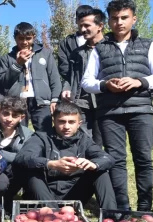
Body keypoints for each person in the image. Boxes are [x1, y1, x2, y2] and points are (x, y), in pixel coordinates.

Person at [81, 0, 153, 211]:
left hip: (141, 111)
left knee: (143, 159)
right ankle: (122, 209)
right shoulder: (99, 49)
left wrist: (140, 82)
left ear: (133, 19)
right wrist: (104, 85)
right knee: (116, 160)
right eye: (114, 18)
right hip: (110, 112)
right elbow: (86, 81)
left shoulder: (148, 45)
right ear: (108, 21)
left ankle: (145, 208)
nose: (119, 22)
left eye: (124, 17)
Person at [14, 101, 116, 209]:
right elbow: (22, 157)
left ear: (79, 123)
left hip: (74, 194)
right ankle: (52, 214)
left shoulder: (84, 140)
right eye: (62, 121)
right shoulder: (41, 137)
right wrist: (51, 164)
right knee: (31, 170)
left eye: (71, 122)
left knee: (100, 171)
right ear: (54, 121)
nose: (66, 126)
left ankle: (110, 218)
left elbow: (108, 158)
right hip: (43, 194)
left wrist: (93, 164)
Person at [0, 22, 62, 132]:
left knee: (45, 134)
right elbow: (4, 82)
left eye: (28, 38)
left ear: (34, 37)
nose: (24, 42)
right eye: (20, 38)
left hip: (41, 102)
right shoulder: (7, 58)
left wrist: (54, 99)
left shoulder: (45, 54)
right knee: (18, 134)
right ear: (15, 38)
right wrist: (17, 64)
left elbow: (54, 78)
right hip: (17, 102)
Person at [60, 7, 106, 148]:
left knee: (102, 142)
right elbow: (70, 75)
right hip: (81, 102)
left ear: (100, 26)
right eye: (80, 26)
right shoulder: (77, 53)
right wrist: (66, 88)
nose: (83, 29)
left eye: (87, 25)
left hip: (105, 102)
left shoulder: (111, 48)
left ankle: (101, 169)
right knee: (83, 142)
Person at [58, 4, 92, 89]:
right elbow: (64, 68)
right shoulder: (66, 43)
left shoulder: (101, 40)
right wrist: (74, 80)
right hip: (76, 88)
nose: (84, 27)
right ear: (76, 20)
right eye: (80, 19)